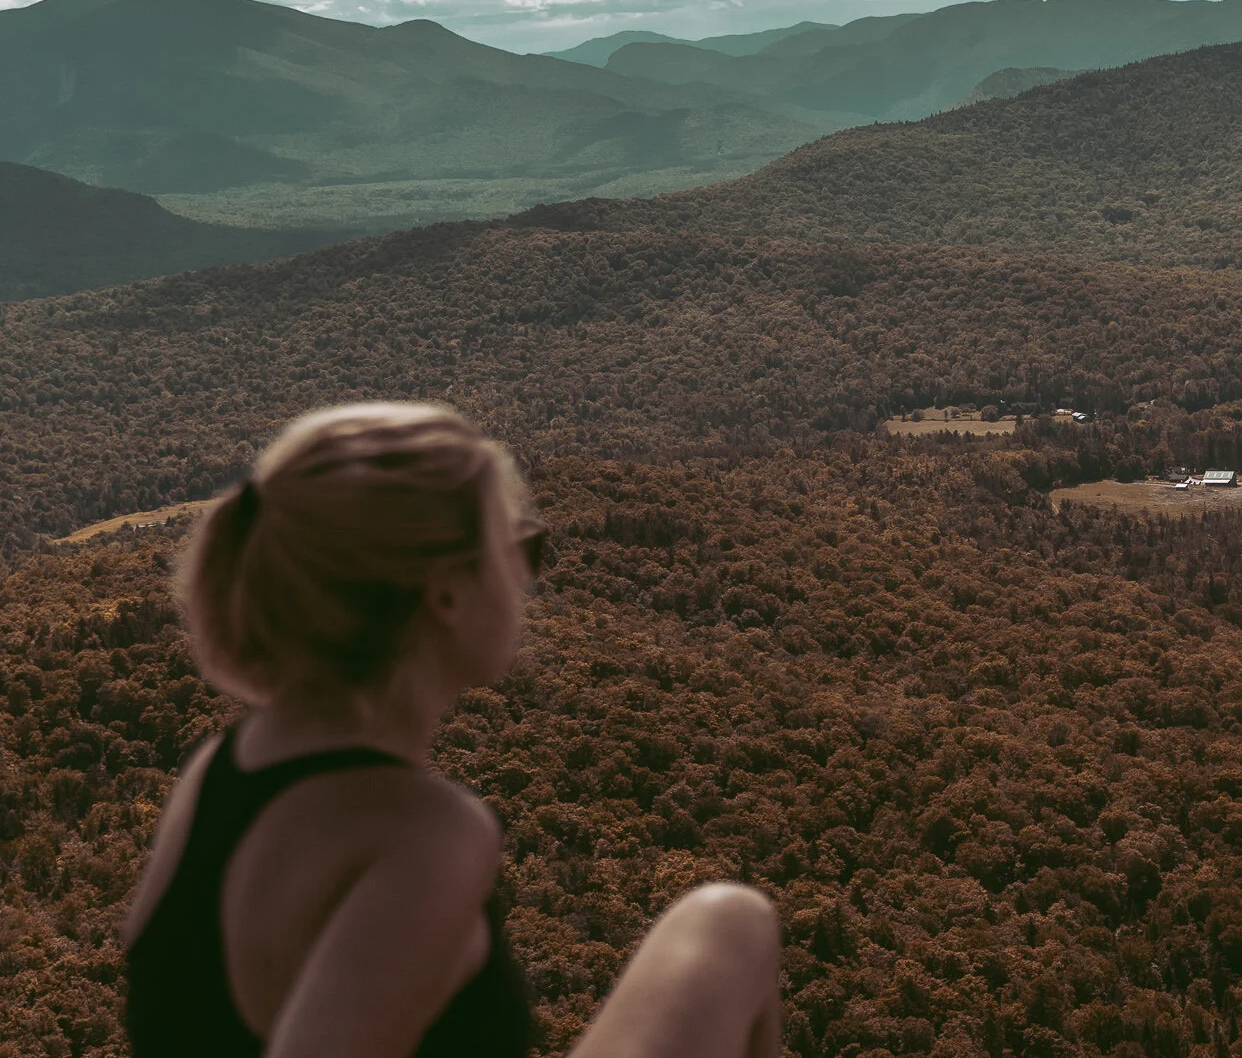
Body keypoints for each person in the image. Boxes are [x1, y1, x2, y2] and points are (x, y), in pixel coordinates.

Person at [122, 402, 782, 1058]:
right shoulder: (426, 835)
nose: (527, 575)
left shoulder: (213, 772)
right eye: (521, 547)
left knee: (729, 921)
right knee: (734, 922)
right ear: (446, 593)